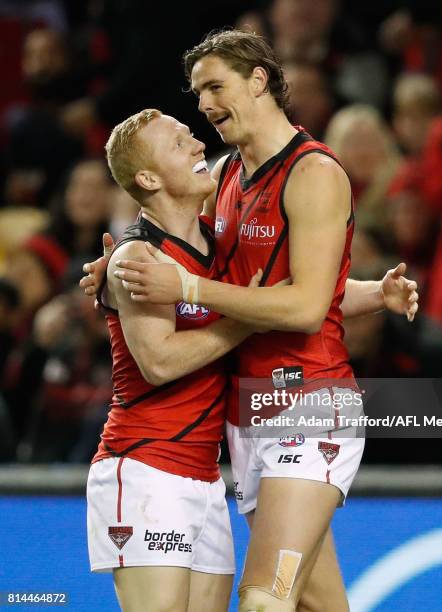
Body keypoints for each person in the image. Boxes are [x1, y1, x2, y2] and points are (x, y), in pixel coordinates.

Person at [83, 30, 419, 612]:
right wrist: (115, 274)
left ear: (259, 80)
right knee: (317, 602)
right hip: (245, 419)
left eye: (215, 87)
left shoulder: (312, 172)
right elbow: (251, 287)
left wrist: (183, 286)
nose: (205, 107)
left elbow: (305, 305)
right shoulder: (226, 177)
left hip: (310, 402)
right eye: (197, 94)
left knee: (266, 600)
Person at [86, 108, 267, 612]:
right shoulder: (137, 257)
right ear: (147, 178)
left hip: (206, 478)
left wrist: (377, 294)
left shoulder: (220, 245)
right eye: (178, 142)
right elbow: (159, 362)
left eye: (191, 136)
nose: (196, 146)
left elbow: (297, 294)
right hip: (145, 466)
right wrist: (247, 318)